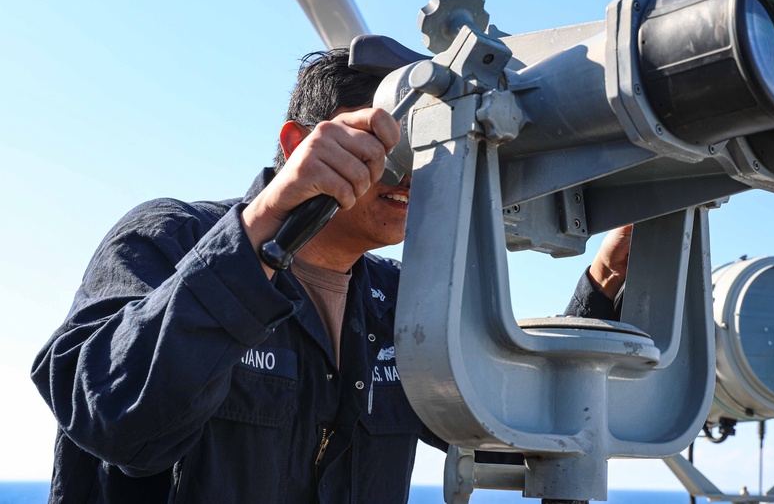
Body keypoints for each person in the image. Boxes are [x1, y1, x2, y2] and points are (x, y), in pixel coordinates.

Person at [31, 48, 630, 503]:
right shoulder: (166, 240)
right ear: (299, 144)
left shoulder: (401, 302)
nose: (404, 174)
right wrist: (266, 226)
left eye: (420, 152)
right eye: (375, 144)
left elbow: (515, 421)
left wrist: (602, 284)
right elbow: (115, 419)